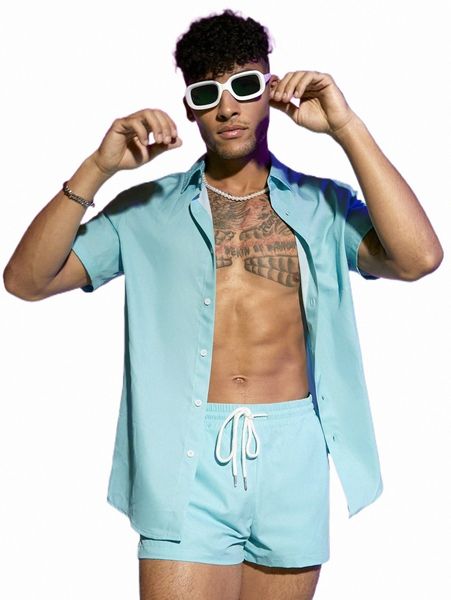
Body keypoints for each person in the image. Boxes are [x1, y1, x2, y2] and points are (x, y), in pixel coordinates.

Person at [3, 8, 443, 600]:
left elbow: (419, 258)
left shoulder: (322, 205)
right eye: (207, 93)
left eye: (244, 86)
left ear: (270, 90)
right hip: (184, 456)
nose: (228, 108)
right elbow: (26, 281)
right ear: (190, 107)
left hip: (294, 452)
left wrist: (347, 128)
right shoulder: (145, 211)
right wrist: (98, 168)